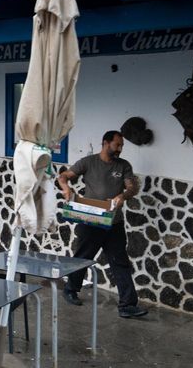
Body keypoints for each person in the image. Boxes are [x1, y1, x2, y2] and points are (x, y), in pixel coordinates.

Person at [57, 130, 148, 318]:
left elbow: (132, 187)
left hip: (114, 222)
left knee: (120, 262)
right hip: (91, 220)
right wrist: (66, 189)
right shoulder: (88, 162)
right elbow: (63, 176)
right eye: (117, 145)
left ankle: (127, 305)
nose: (120, 149)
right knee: (83, 257)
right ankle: (70, 289)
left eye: (121, 146)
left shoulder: (123, 165)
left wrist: (123, 196)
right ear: (105, 143)